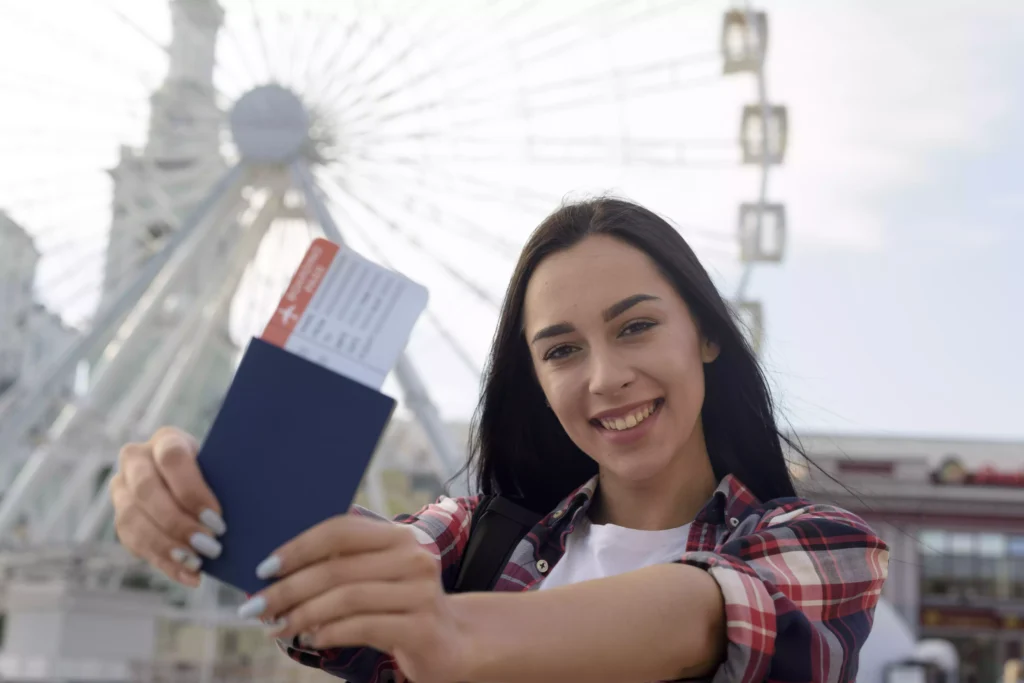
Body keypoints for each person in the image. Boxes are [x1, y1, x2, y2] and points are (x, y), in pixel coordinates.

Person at [110, 197, 889, 683]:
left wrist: (451, 635)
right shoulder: (468, 536)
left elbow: (704, 614)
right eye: (561, 350)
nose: (606, 376)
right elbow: (333, 562)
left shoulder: (822, 546)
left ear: (708, 336)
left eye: (638, 326)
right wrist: (201, 497)